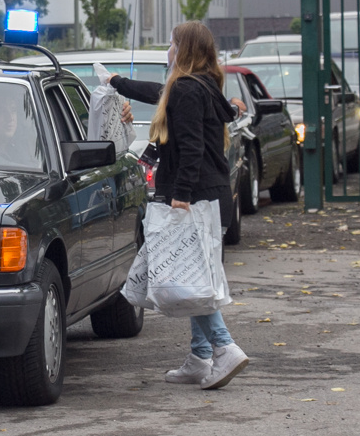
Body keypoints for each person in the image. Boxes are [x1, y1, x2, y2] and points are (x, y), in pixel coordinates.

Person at [100, 21, 249, 390]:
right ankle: (200, 356)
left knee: (189, 280)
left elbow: (192, 146)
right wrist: (117, 81)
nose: (167, 50)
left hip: (194, 198)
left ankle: (224, 347)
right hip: (211, 195)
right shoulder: (201, 85)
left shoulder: (186, 89)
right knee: (193, 276)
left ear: (183, 50)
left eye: (171, 43)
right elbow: (157, 92)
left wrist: (180, 194)